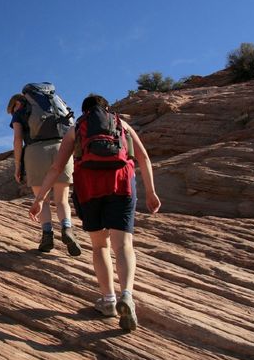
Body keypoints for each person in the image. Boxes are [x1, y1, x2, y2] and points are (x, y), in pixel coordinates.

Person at [29, 93, 161, 332]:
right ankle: (127, 295)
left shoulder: (77, 128)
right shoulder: (121, 124)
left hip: (88, 188)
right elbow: (143, 157)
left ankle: (109, 300)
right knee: (123, 246)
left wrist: (40, 199)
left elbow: (57, 167)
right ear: (106, 107)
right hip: (120, 184)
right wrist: (151, 192)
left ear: (84, 110)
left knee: (100, 245)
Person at [7, 93, 82, 255]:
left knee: (44, 200)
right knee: (62, 200)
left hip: (35, 153)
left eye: (12, 109)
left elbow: (17, 140)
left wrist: (18, 165)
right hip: (61, 147)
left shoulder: (20, 113)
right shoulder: (51, 108)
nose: (13, 112)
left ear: (16, 104)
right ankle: (67, 229)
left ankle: (47, 236)